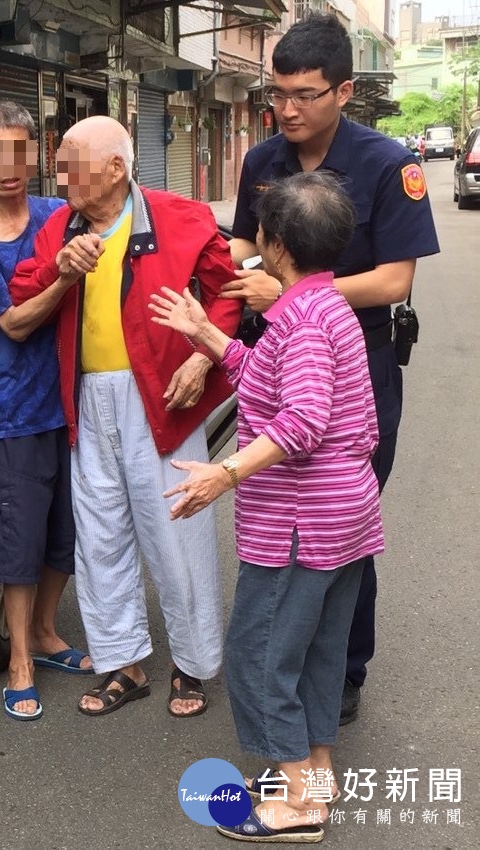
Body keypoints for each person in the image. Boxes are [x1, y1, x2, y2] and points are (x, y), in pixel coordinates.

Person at [151, 171, 384, 844]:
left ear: (277, 245)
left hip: (301, 523)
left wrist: (223, 472)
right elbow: (270, 382)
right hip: (342, 519)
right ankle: (312, 773)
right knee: (313, 651)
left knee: (258, 653)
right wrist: (208, 336)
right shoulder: (322, 306)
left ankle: (297, 803)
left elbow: (303, 419)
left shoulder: (305, 319)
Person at [222, 12, 439, 725]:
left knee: (342, 519)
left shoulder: (387, 164)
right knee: (283, 512)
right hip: (274, 354)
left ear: (345, 91)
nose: (287, 108)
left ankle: (343, 668)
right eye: (277, 92)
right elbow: (240, 250)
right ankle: (286, 661)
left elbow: (392, 281)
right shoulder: (262, 161)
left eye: (305, 94)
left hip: (357, 361)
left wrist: (291, 292)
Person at [9, 115, 241, 719]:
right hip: (88, 397)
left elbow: (228, 290)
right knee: (101, 534)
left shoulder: (180, 216)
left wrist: (201, 353)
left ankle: (191, 665)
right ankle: (126, 664)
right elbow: (23, 290)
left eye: (72, 160)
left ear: (115, 168)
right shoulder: (60, 228)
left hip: (163, 397)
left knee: (177, 531)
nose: (60, 175)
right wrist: (61, 270)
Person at [0, 101, 93, 722]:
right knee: (19, 540)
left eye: (22, 151)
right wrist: (62, 278)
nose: (11, 167)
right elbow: (11, 324)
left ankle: (45, 632)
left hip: (73, 401)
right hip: (13, 411)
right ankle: (19, 661)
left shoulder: (57, 214)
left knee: (70, 532)